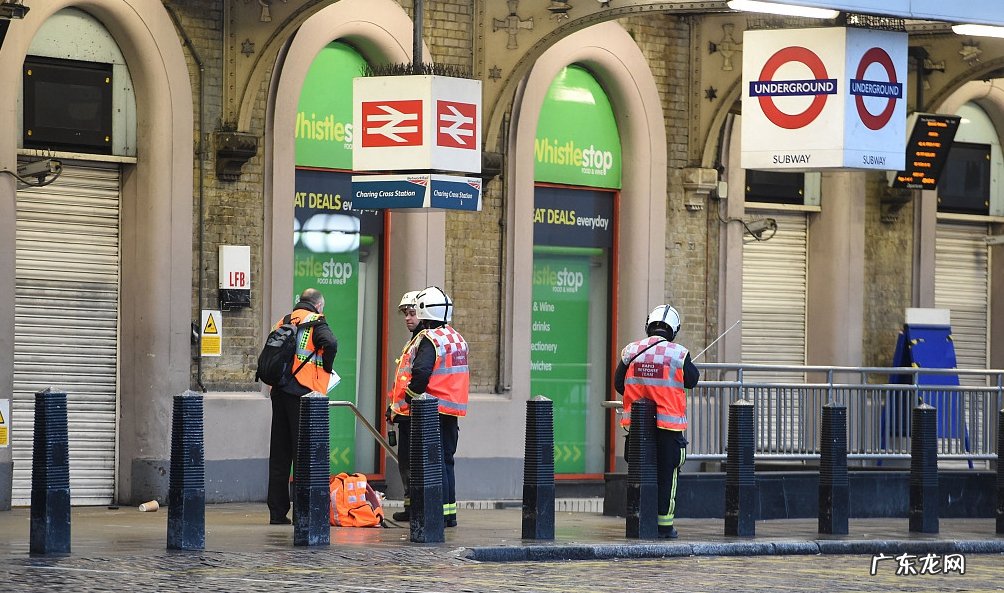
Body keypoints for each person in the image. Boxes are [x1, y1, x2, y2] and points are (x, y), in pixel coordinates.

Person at [614, 304, 699, 539]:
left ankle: (638, 521)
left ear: (648, 325)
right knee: (667, 476)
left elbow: (619, 384)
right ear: (674, 330)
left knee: (640, 474)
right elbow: (692, 380)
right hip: (668, 429)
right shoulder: (679, 354)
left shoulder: (630, 351)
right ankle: (664, 526)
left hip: (638, 429)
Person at [388, 286, 469, 527]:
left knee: (433, 463)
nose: (411, 317)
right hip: (451, 410)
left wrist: (411, 400)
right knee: (446, 461)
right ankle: (448, 513)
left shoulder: (429, 339)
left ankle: (437, 513)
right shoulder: (456, 338)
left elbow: (421, 373)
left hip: (430, 410)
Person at [267, 287, 338, 525]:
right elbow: (330, 343)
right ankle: (302, 513)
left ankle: (277, 513)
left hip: (279, 391)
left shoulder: (283, 321)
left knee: (280, 455)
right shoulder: (316, 321)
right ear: (318, 305)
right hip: (303, 393)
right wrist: (327, 368)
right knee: (303, 455)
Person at [386, 290, 420, 522]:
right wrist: (393, 408)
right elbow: (403, 379)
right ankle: (410, 507)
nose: (408, 318)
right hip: (404, 414)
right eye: (406, 314)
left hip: (414, 413)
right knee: (406, 463)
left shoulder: (424, 340)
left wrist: (405, 404)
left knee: (413, 464)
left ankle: (415, 508)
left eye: (412, 313)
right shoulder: (413, 341)